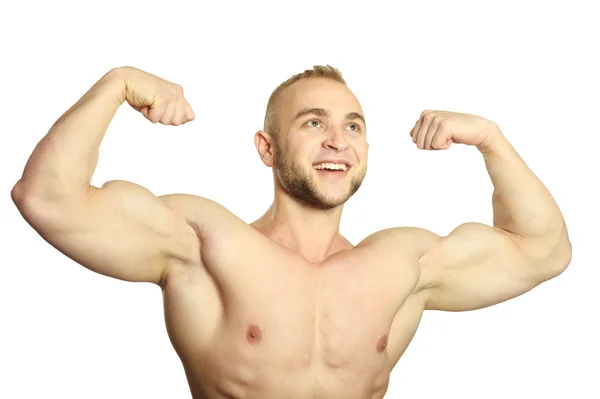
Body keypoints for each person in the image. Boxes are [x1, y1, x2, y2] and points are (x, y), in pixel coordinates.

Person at [11, 65, 572, 399]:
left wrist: (492, 139)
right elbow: (47, 198)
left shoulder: (405, 266)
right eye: (313, 123)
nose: (337, 140)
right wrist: (117, 83)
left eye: (352, 126)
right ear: (267, 148)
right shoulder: (205, 246)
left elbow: (545, 251)